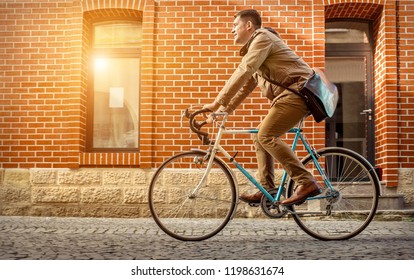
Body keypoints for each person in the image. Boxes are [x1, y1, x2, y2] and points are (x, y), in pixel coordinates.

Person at [203, 9, 321, 206]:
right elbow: (246, 86)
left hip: (298, 94)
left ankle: (306, 181)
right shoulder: (258, 51)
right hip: (289, 96)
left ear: (249, 26)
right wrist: (224, 110)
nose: (232, 31)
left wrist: (217, 101)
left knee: (266, 135)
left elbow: (244, 70)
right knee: (259, 136)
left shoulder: (262, 37)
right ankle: (267, 189)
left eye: (235, 26)